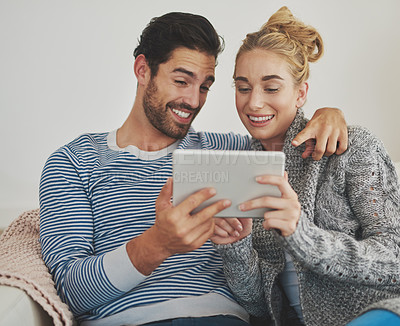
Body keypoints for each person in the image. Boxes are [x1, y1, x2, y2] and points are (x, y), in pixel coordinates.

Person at [39, 11, 348, 326]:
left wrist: (328, 115)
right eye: (181, 81)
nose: (193, 99)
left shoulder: (233, 152)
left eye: (205, 86)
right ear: (143, 70)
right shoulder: (75, 163)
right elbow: (69, 292)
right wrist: (158, 244)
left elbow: (291, 145)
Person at [211, 6, 400, 326]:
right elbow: (260, 304)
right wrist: (236, 248)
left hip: (378, 311)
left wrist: (303, 235)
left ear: (301, 94)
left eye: (271, 87)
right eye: (243, 87)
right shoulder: (242, 167)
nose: (253, 102)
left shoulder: (352, 148)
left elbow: (395, 258)